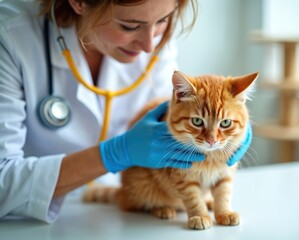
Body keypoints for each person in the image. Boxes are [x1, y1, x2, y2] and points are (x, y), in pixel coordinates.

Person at [0, 0, 251, 223]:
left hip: (123, 214)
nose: (150, 45)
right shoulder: (10, 34)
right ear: (78, 2)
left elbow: (182, 109)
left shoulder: (154, 35)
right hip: (27, 214)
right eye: (130, 26)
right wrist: (115, 154)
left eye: (163, 20)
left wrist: (232, 120)